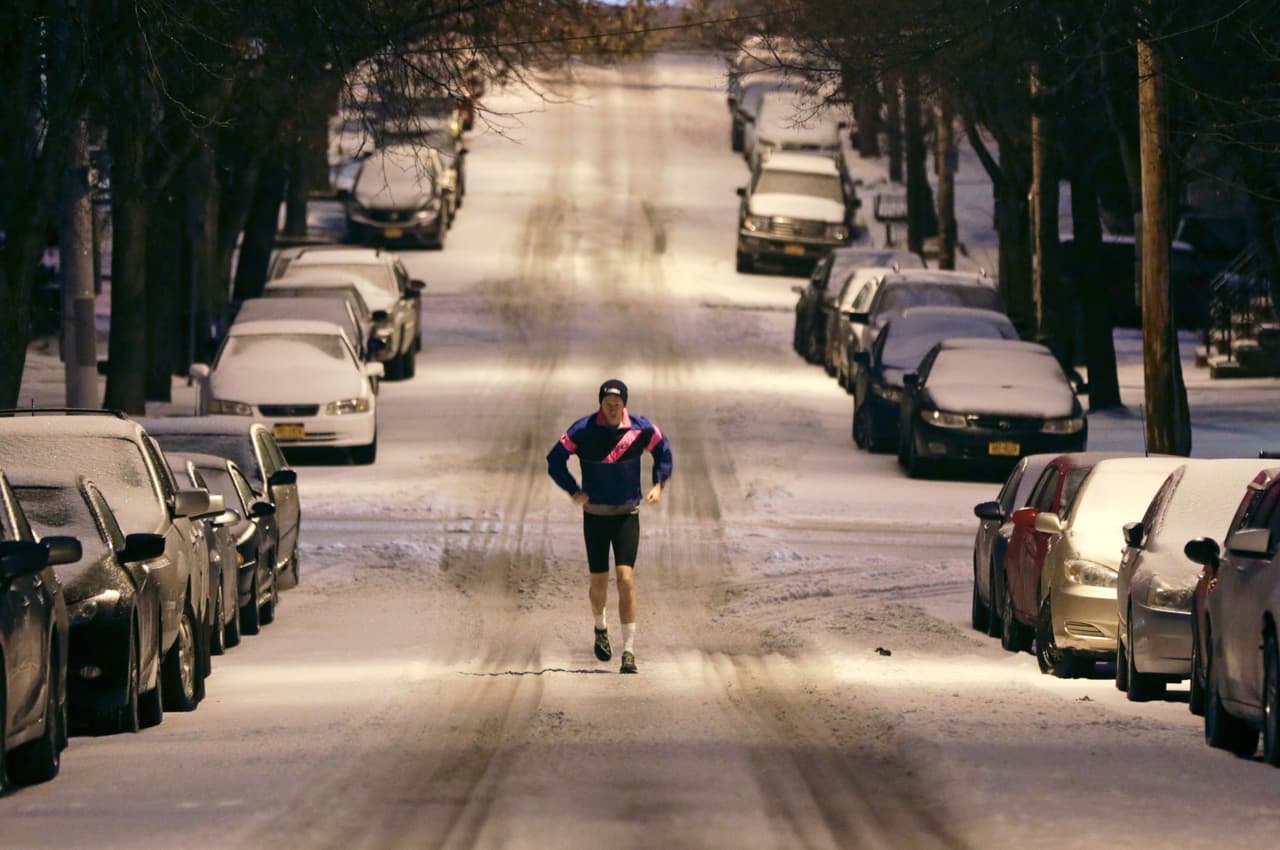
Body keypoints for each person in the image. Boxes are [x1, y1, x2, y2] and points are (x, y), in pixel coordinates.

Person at [547, 379, 672, 674]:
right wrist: (572, 489)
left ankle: (629, 651)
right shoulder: (583, 430)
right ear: (600, 404)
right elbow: (554, 460)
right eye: (608, 404)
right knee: (599, 583)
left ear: (625, 404)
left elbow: (663, 451)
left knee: (625, 579)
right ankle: (600, 628)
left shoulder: (641, 429)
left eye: (618, 404)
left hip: (627, 513)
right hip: (595, 516)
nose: (613, 409)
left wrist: (658, 483)